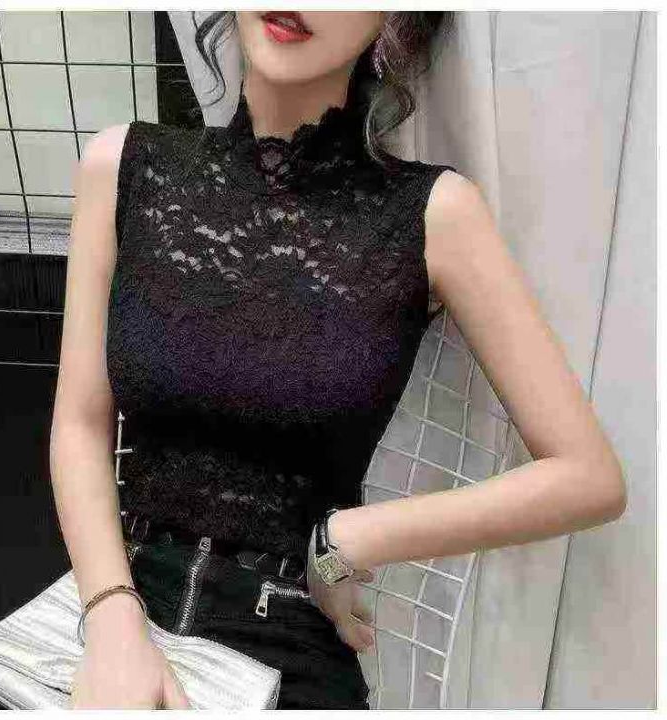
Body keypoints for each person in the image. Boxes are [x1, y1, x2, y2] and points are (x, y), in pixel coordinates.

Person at [49, 10, 627, 710]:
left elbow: (588, 476)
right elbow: (80, 424)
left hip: (288, 642)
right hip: (114, 609)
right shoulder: (122, 168)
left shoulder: (433, 214)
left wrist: (350, 536)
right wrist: (112, 615)